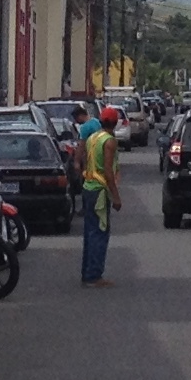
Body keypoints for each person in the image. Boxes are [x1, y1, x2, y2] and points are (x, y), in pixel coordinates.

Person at [80, 105, 121, 285]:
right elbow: (108, 172)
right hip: (99, 190)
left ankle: (87, 272)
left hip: (88, 186)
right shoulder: (109, 141)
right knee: (99, 232)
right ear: (116, 122)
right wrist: (116, 196)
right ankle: (94, 275)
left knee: (90, 232)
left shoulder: (93, 138)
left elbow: (83, 158)